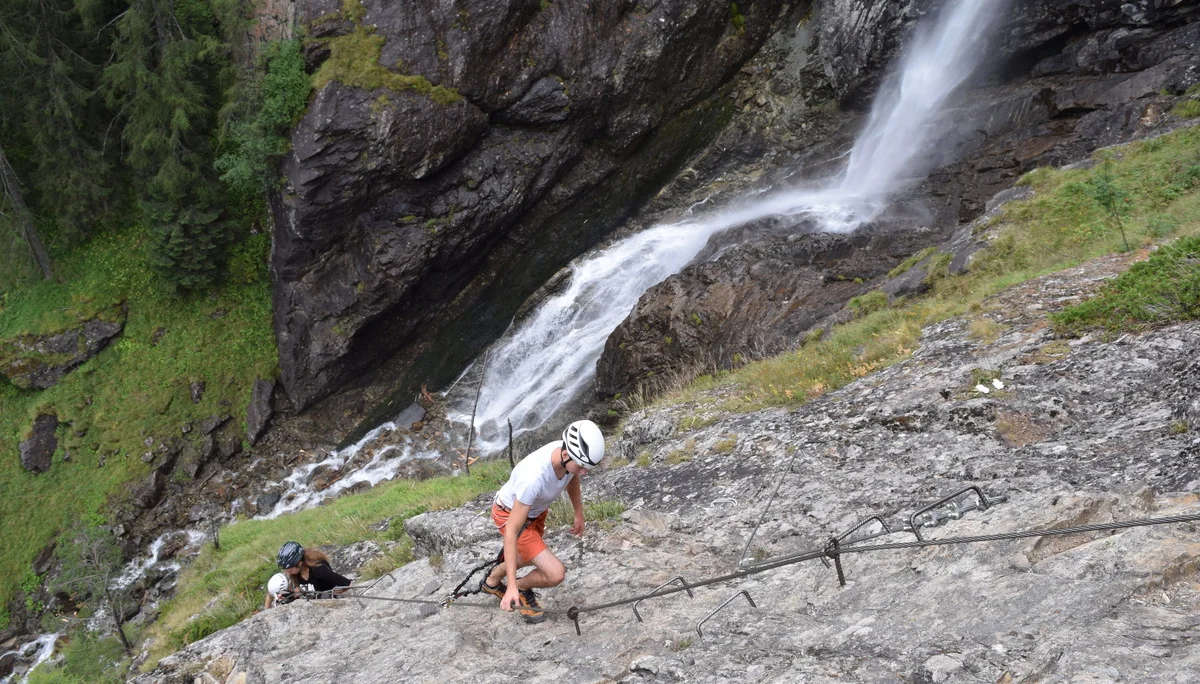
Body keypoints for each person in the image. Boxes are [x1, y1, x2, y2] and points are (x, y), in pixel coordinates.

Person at [479, 419, 605, 623]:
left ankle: (492, 580)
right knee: (556, 573)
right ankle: (521, 587)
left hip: (535, 511)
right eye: (582, 466)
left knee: (529, 556)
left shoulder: (567, 458)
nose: (584, 472)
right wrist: (511, 585)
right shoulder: (534, 478)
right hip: (511, 513)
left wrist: (578, 512)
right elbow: (511, 530)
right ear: (565, 455)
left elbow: (571, 477)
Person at [274, 541, 352, 598]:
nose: (287, 573)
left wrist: (337, 592)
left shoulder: (319, 571)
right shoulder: (296, 574)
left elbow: (348, 584)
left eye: (290, 570)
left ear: (300, 564)